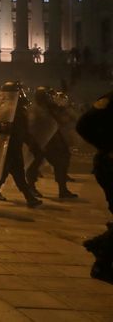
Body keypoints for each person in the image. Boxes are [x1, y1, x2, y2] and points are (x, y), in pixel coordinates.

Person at [76, 90, 113, 283]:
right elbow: (84, 125)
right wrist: (107, 148)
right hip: (109, 165)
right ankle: (102, 261)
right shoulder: (111, 99)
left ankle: (101, 245)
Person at [0, 82, 43, 208]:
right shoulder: (7, 109)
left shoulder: (17, 109)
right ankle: (29, 197)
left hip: (14, 144)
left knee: (7, 169)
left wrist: (29, 142)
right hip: (8, 146)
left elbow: (23, 129)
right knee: (16, 171)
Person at [25, 87, 77, 199]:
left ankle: (63, 189)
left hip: (52, 142)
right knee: (33, 166)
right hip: (39, 142)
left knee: (60, 164)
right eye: (48, 96)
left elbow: (65, 119)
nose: (50, 98)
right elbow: (33, 127)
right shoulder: (35, 109)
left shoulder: (51, 108)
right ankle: (31, 188)